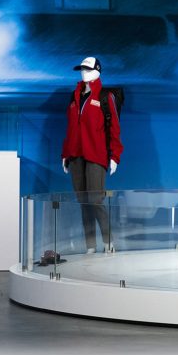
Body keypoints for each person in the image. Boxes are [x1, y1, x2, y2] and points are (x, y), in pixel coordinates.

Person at [61, 56, 123, 254]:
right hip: (76, 155)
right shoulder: (75, 96)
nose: (84, 73)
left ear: (97, 71)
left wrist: (114, 156)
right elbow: (71, 128)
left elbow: (114, 129)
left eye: (88, 69)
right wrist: (65, 154)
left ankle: (108, 241)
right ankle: (90, 245)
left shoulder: (105, 97)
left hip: (96, 154)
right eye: (82, 69)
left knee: (95, 200)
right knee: (83, 203)